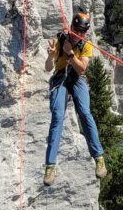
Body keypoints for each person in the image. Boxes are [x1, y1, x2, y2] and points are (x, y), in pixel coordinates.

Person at [43, 10, 106, 186]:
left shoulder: (86, 45)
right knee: (57, 116)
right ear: (71, 27)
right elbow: (48, 68)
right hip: (60, 78)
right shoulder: (60, 40)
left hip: (77, 78)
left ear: (85, 33)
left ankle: (99, 157)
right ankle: (50, 166)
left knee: (85, 112)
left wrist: (70, 53)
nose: (78, 34)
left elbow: (81, 69)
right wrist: (51, 55)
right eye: (76, 30)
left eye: (82, 32)